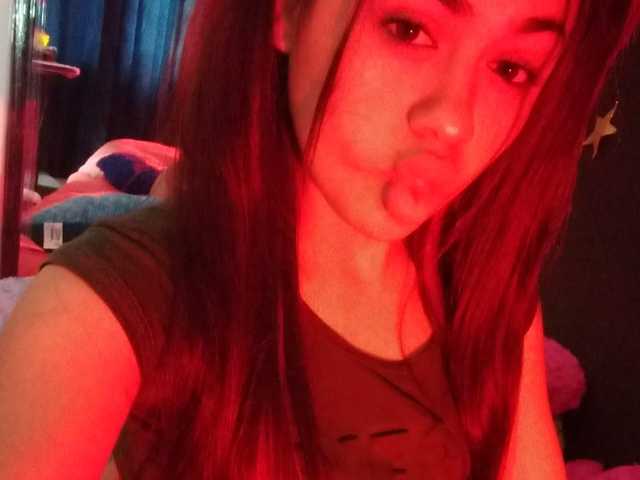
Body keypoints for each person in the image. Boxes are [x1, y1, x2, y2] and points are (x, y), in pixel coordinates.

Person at [1, 0, 639, 478]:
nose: (453, 121)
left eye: (511, 68)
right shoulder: (106, 305)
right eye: (407, 28)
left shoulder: (490, 300)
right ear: (287, 12)